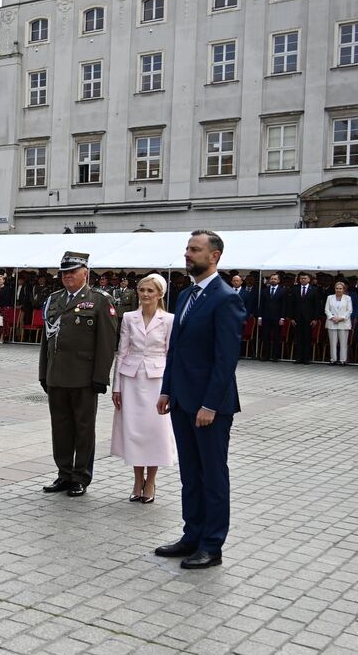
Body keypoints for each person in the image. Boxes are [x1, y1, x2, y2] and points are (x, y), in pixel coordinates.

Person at [156, 230, 246, 570]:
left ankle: (212, 545)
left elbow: (226, 359)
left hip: (210, 407)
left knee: (213, 476)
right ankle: (191, 535)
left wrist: (210, 405)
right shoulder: (185, 295)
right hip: (182, 400)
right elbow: (175, 349)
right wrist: (167, 389)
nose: (188, 254)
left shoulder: (226, 298)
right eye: (187, 248)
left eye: (195, 249)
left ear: (214, 256)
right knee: (190, 475)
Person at [39, 251, 117, 497]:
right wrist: (43, 372)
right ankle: (64, 473)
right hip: (57, 375)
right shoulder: (54, 299)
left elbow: (106, 343)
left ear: (86, 273)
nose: (67, 276)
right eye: (64, 272)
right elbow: (47, 340)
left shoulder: (99, 300)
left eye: (72, 271)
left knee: (84, 429)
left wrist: (100, 377)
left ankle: (80, 476)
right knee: (60, 428)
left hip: (84, 377)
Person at [111, 274, 176, 504]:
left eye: (150, 290)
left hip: (157, 381)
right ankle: (138, 480)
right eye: (142, 290)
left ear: (160, 294)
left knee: (154, 431)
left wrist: (170, 389)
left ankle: (151, 481)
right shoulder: (129, 317)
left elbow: (171, 354)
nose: (145, 294)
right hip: (131, 379)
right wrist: (116, 387)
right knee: (134, 431)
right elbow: (122, 351)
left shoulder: (169, 320)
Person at [287, 272, 320, 365]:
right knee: (298, 338)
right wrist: (292, 318)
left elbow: (317, 305)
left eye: (305, 278)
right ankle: (298, 357)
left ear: (309, 279)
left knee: (307, 338)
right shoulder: (295, 289)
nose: (303, 280)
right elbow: (291, 304)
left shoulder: (314, 290)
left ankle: (306, 358)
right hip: (297, 318)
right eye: (301, 278)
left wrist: (315, 319)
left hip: (309, 318)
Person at [257, 274, 286, 361]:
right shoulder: (264, 290)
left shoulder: (282, 291)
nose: (273, 280)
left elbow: (284, 305)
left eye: (275, 279)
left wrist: (282, 318)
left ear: (278, 281)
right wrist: (260, 317)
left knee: (276, 337)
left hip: (277, 317)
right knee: (266, 336)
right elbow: (261, 304)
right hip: (266, 317)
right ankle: (266, 355)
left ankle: (275, 356)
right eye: (272, 279)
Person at [325, 281, 352, 365]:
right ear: (334, 289)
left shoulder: (348, 298)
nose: (338, 290)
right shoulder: (330, 297)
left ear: (343, 289)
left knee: (343, 343)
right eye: (337, 288)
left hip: (343, 322)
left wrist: (341, 318)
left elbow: (349, 310)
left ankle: (343, 360)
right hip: (332, 322)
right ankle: (333, 359)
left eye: (340, 288)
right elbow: (326, 309)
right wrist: (332, 317)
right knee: (333, 343)